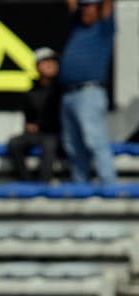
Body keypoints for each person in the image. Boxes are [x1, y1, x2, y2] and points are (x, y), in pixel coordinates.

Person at [57, 0, 116, 184]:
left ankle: (109, 186)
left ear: (98, 8)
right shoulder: (78, 26)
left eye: (89, 5)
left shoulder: (104, 27)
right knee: (72, 145)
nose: (84, 9)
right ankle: (80, 187)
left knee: (95, 141)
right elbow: (71, 4)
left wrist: (101, 5)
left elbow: (108, 4)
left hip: (89, 93)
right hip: (68, 94)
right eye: (83, 5)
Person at [7, 48, 62, 183]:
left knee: (49, 144)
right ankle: (27, 183)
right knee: (14, 143)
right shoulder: (32, 91)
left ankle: (43, 185)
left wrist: (42, 125)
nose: (51, 65)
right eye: (46, 61)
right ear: (37, 66)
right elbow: (29, 118)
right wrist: (31, 125)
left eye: (54, 61)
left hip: (57, 134)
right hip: (38, 134)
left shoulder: (63, 89)